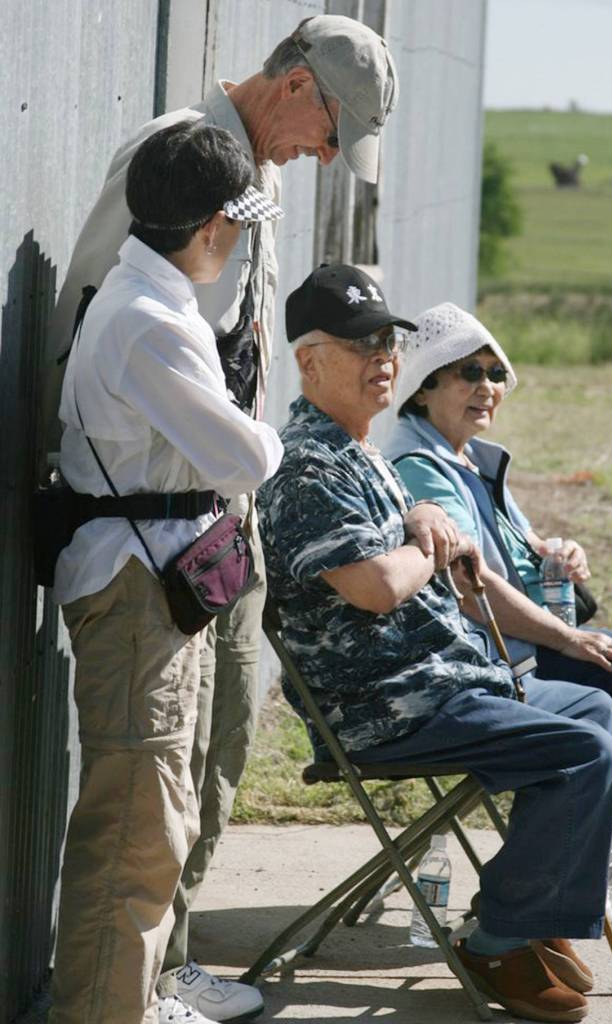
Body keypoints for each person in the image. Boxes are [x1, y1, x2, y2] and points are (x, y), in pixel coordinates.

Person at [43, 15, 399, 1021]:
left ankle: (163, 966)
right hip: (152, 515)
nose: (321, 159)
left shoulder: (260, 181)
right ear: (294, 87)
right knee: (146, 788)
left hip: (214, 516)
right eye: (328, 135)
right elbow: (86, 310)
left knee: (216, 747)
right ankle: (124, 988)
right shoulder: (179, 160)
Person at [257, 263, 612, 1024]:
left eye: (388, 341)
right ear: (309, 360)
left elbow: (403, 543)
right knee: (581, 751)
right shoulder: (306, 465)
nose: (383, 358)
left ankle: (534, 911)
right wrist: (428, 538)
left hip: (436, 679)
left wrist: (420, 508)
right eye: (361, 346)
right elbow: (374, 587)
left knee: (594, 708)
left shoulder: (357, 451)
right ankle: (496, 938)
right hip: (384, 704)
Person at [49, 122, 283, 1024]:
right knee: (134, 837)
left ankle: (128, 1002)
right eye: (236, 224)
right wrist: (255, 425)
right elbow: (248, 458)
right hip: (138, 594)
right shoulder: (152, 323)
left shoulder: (154, 301)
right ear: (214, 226)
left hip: (150, 590)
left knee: (153, 819)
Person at [387, 301, 612, 924]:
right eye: (468, 371)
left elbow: (511, 553)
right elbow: (474, 588)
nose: (487, 387)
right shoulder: (423, 468)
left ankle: (607, 850)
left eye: (495, 374)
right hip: (489, 651)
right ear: (424, 389)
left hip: (521, 634)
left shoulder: (470, 458)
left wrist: (555, 552)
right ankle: (584, 858)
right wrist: (572, 640)